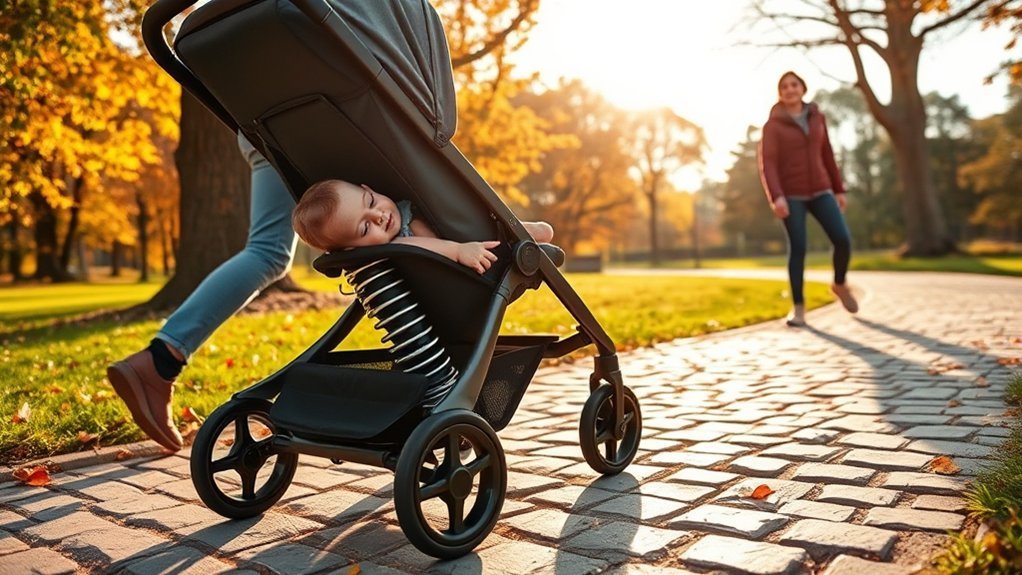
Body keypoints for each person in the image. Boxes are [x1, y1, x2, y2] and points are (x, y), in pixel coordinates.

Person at [107, 135, 297, 451]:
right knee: (381, 218)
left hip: (261, 125)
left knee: (268, 251)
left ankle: (162, 359)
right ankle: (161, 360)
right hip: (309, 122)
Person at [758, 70, 859, 327]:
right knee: (798, 249)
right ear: (779, 93)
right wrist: (776, 197)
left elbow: (827, 154)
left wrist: (838, 189)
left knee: (843, 240)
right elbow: (767, 164)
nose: (790, 89)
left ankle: (839, 284)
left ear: (803, 88)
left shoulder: (817, 117)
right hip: (791, 195)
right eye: (784, 86)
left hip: (821, 189)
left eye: (794, 85)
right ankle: (799, 308)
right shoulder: (773, 125)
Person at [292, 179, 554, 274]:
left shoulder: (401, 205)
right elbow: (424, 246)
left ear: (368, 188)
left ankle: (521, 233)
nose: (379, 216)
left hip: (474, 230)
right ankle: (519, 238)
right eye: (364, 228)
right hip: (475, 250)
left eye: (370, 201)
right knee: (540, 234)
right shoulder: (399, 244)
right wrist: (458, 250)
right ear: (351, 249)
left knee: (543, 232)